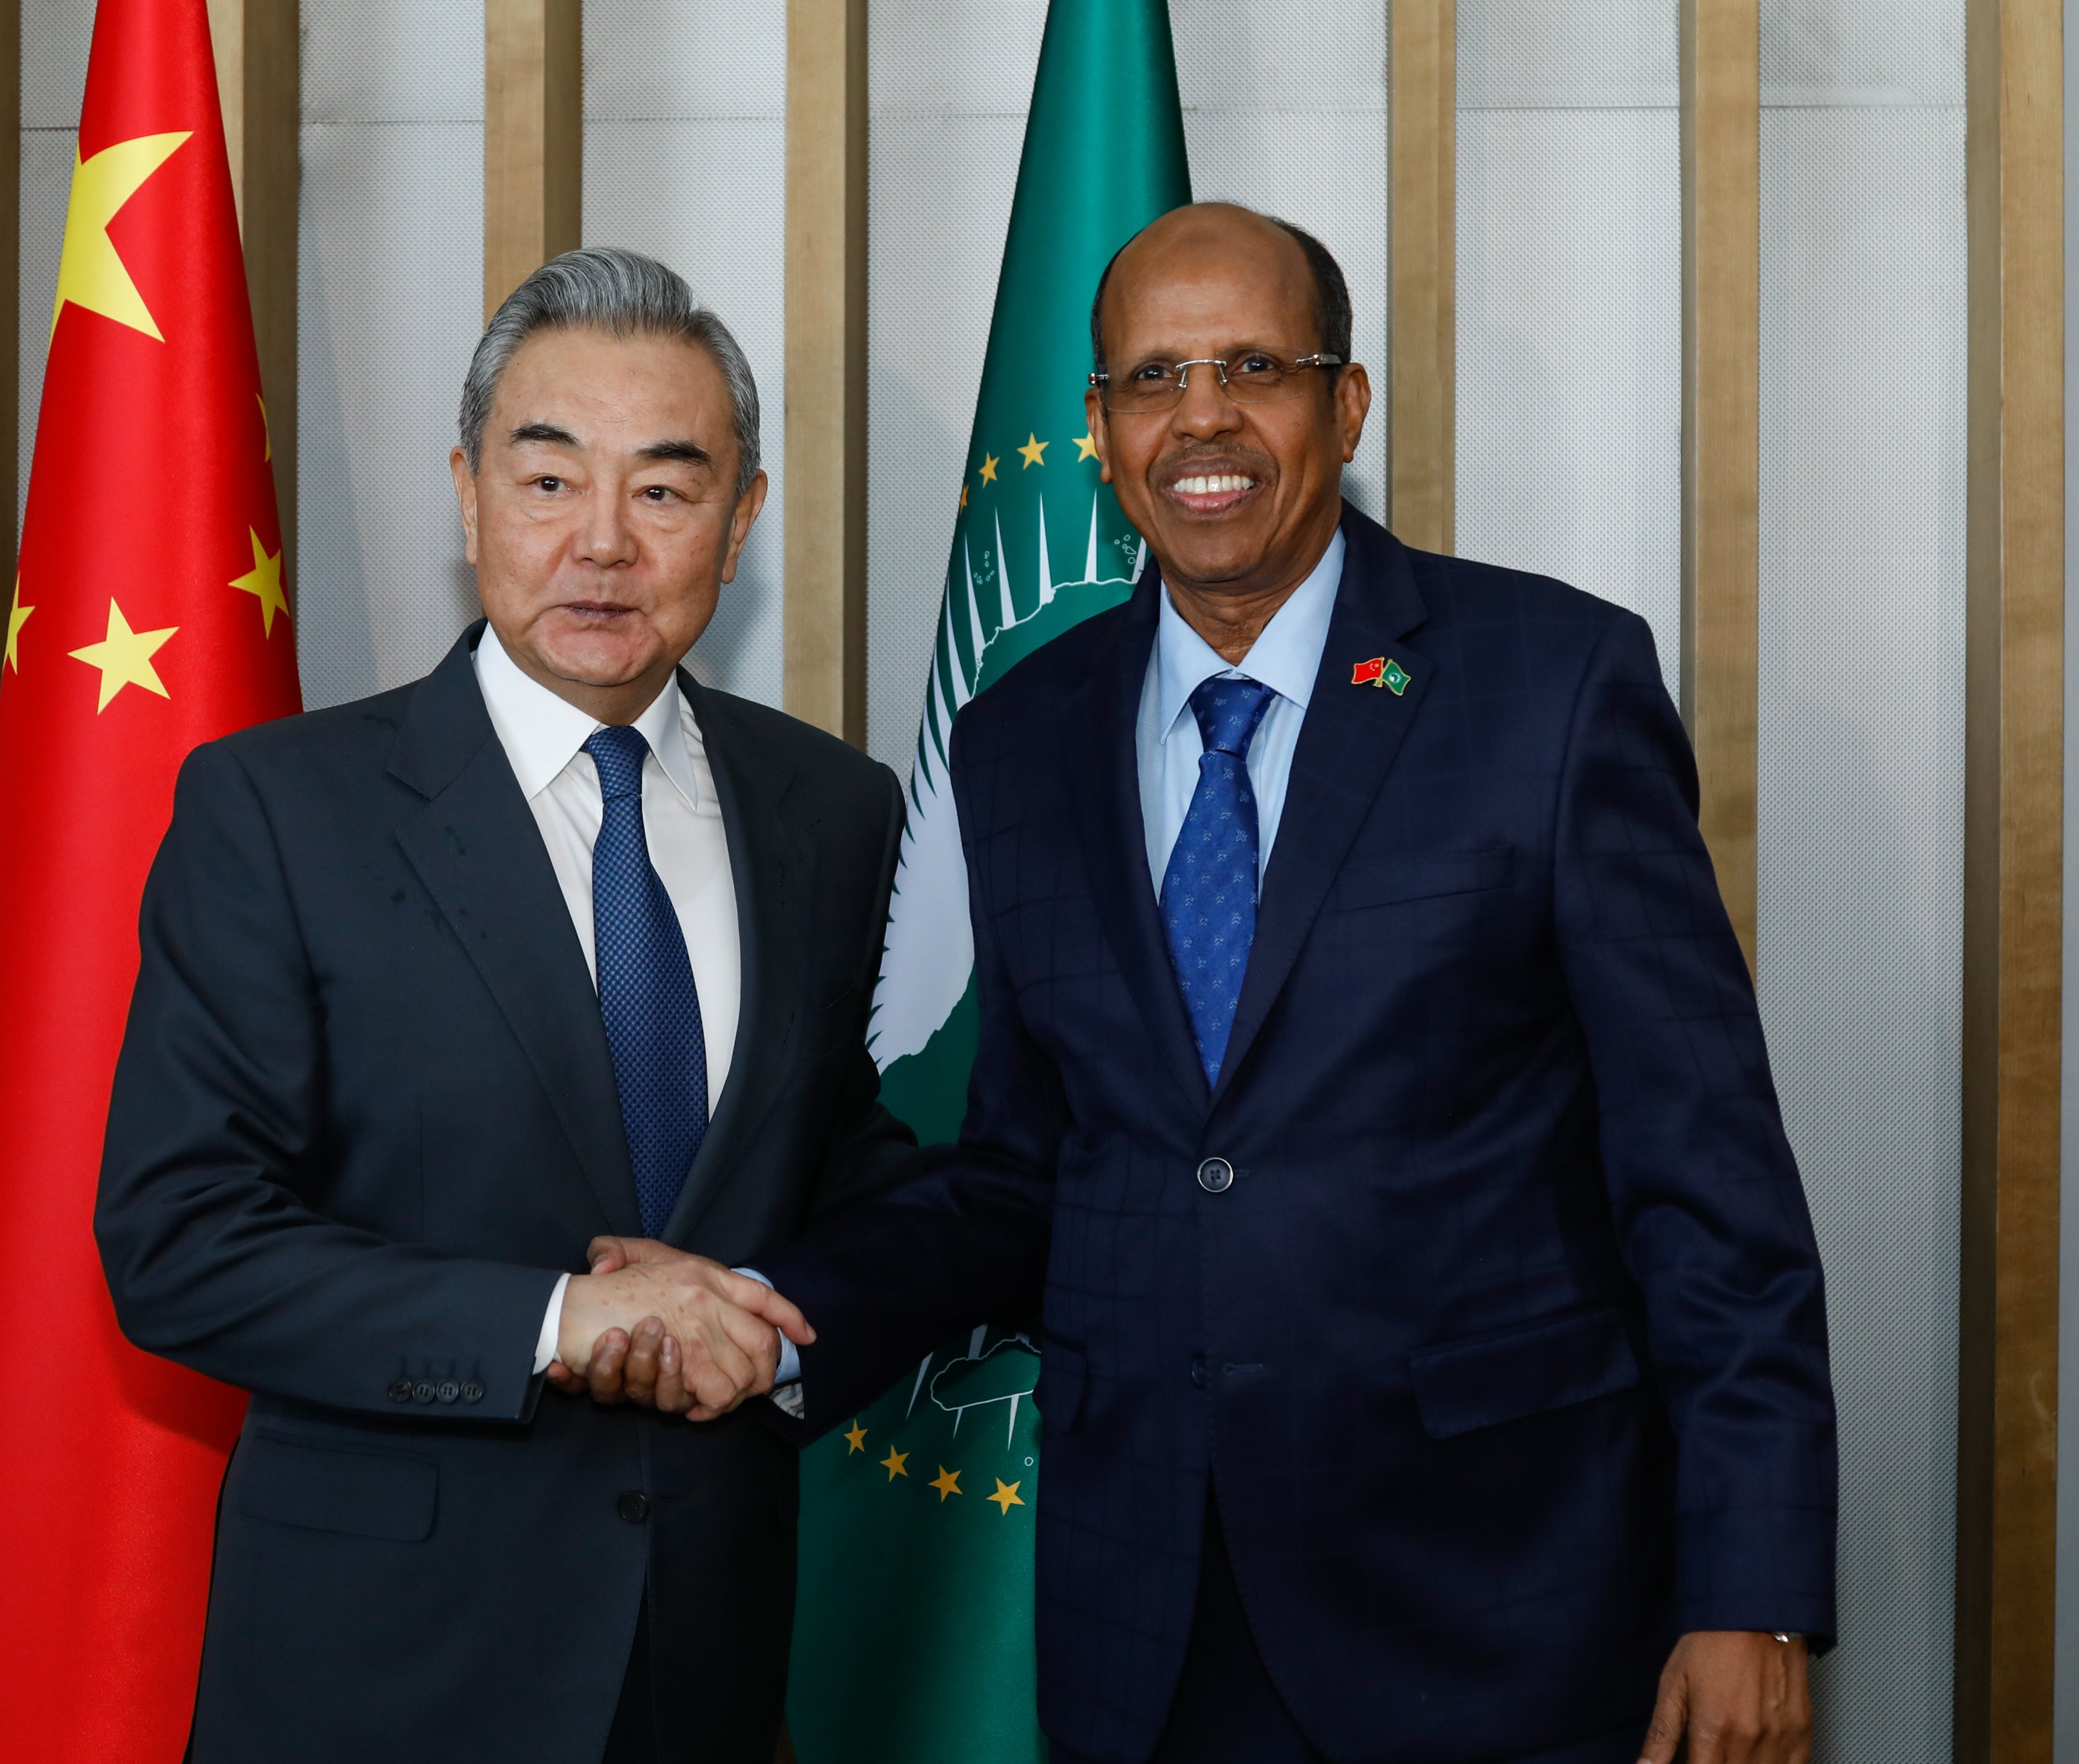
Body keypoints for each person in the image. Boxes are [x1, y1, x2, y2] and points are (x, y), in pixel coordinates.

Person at [604, 203, 1838, 1764]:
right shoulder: (1022, 737)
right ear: (1100, 433)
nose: (1203, 418)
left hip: (1503, 1602)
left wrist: (1754, 1589)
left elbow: (1706, 1180)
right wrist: (776, 1318)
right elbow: (1024, 1178)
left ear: (1345, 402)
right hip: (1149, 1620)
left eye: (1254, 365)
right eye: (1151, 379)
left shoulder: (1547, 684)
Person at [94, 246, 913, 1763]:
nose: (602, 542)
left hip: (711, 1659)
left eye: (665, 490)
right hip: (382, 1670)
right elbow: (180, 1243)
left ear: (737, 527)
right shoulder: (280, 810)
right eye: (549, 482)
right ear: (468, 495)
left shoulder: (835, 811)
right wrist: (555, 1319)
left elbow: (863, 1172)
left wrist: (789, 1336)